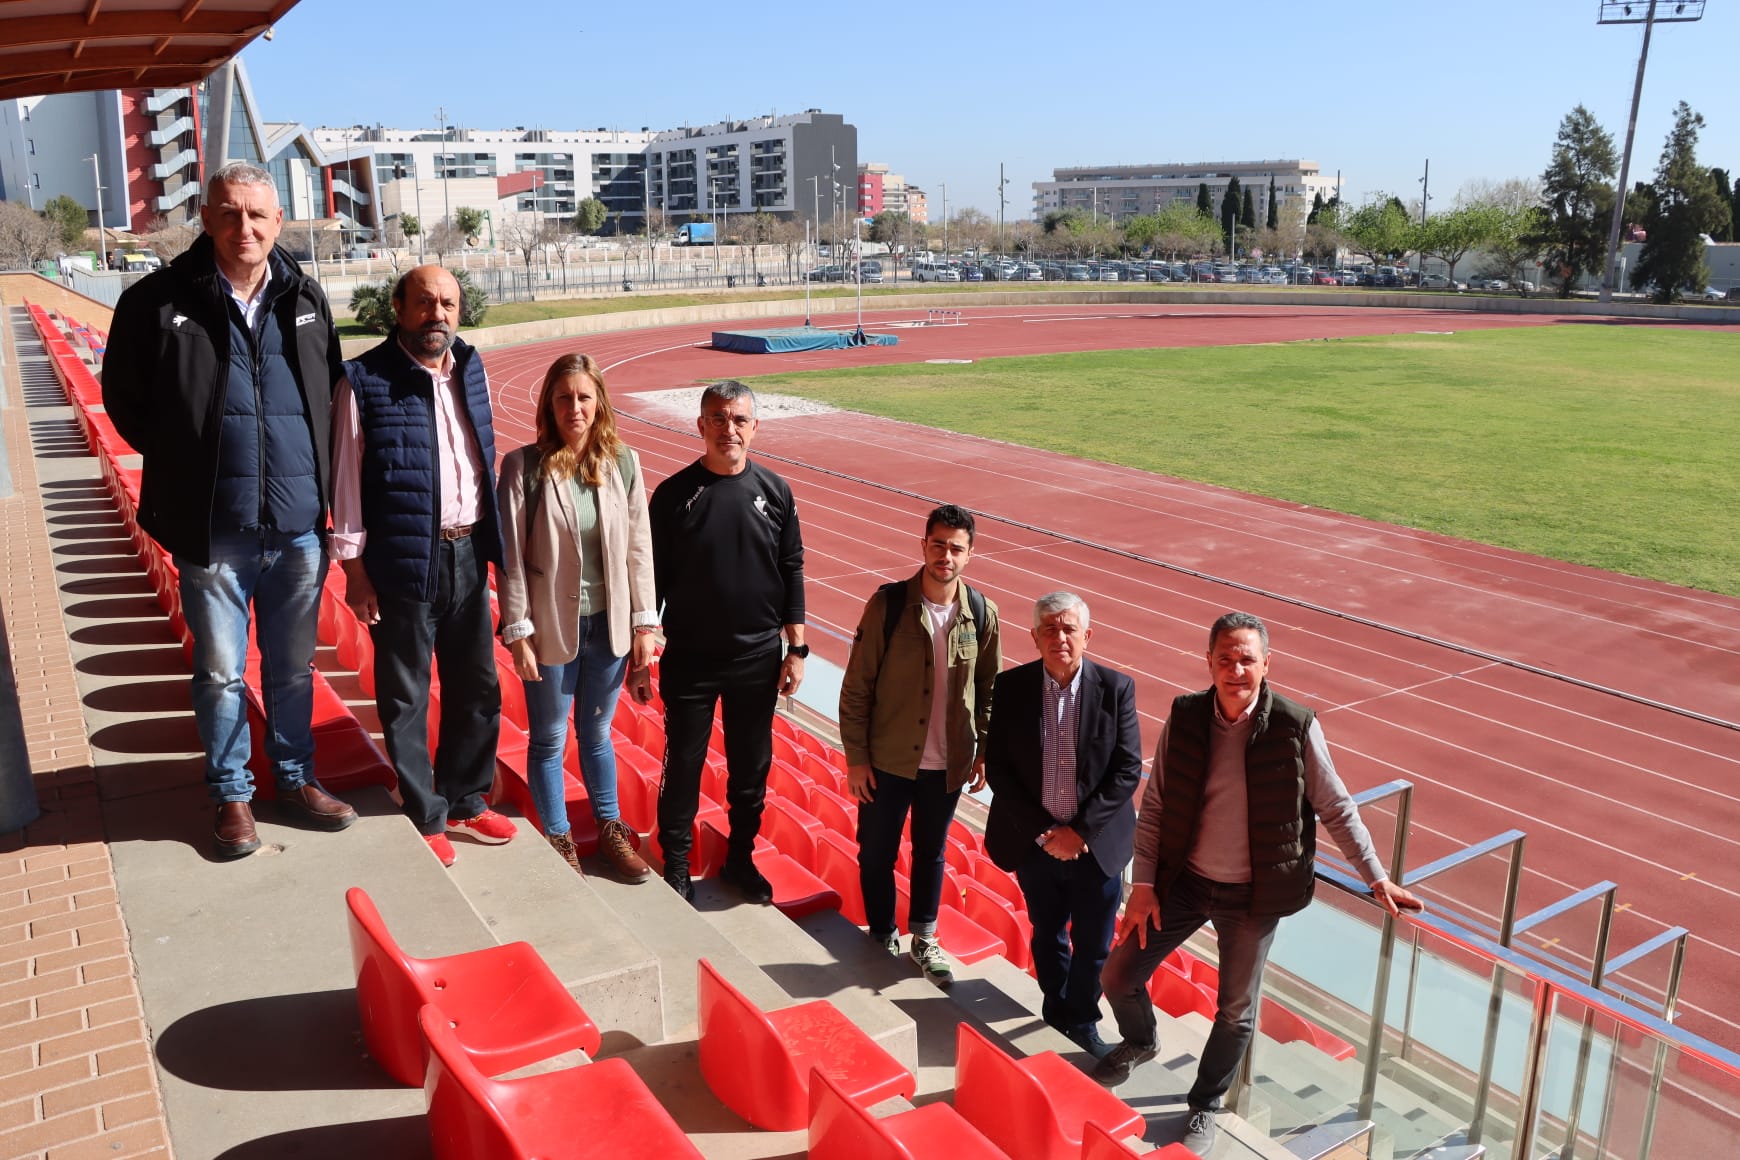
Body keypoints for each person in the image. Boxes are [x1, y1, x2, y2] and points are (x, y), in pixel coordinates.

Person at [1094, 612, 1423, 1156]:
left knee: (1235, 1010)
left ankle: (1205, 1103)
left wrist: (1377, 877)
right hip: (1184, 882)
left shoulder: (1295, 725)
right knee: (1119, 972)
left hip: (1253, 895)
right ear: (1209, 663)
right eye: (1225, 657)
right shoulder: (1187, 715)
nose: (1236, 668)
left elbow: (1336, 806)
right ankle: (1141, 1039)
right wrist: (1145, 882)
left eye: (1247, 658)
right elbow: (1153, 807)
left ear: (1266, 664)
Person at [102, 160, 356, 859]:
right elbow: (125, 401)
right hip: (212, 528)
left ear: (278, 223)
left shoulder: (305, 296)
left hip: (298, 526)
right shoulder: (157, 301)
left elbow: (328, 390)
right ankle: (232, 793)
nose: (244, 227)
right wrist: (186, 462)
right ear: (207, 218)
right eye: (229, 213)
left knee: (293, 668)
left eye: (257, 215)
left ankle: (298, 780)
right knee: (220, 671)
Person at [332, 265, 513, 868]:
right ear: (399, 308)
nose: (438, 313)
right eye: (425, 303)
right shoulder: (364, 380)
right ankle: (425, 811)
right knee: (406, 695)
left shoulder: (471, 367)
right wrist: (355, 571)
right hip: (404, 561)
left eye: (448, 303)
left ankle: (466, 797)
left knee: (478, 688)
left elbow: (479, 455)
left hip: (468, 553)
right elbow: (348, 481)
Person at [496, 353, 657, 882]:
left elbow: (639, 549)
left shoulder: (623, 463)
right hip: (549, 630)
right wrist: (517, 631)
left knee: (597, 734)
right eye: (564, 397)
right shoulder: (523, 467)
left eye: (584, 397)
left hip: (607, 628)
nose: (575, 407)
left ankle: (609, 831)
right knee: (547, 739)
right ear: (549, 404)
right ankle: (560, 838)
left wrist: (643, 625)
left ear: (599, 403)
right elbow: (512, 557)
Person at [647, 381, 806, 904]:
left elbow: (791, 569)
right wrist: (645, 639)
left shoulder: (776, 492)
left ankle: (740, 859)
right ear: (700, 426)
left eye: (738, 419)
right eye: (717, 418)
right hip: (691, 659)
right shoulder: (673, 496)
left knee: (750, 771)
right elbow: (653, 580)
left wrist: (796, 647)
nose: (728, 428)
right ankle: (675, 863)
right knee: (685, 765)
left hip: (757, 659)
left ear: (754, 428)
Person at [839, 505, 1002, 987]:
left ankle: (924, 937)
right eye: (938, 544)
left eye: (956, 548)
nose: (945, 555)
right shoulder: (888, 606)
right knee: (876, 852)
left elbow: (991, 689)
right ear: (923, 545)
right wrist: (856, 758)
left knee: (931, 852)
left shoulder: (981, 613)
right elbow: (856, 686)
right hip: (888, 758)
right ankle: (882, 932)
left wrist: (984, 749)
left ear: (969, 555)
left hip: (947, 762)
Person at [984, 592, 1142, 1059]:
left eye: (1069, 628)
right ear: (1034, 636)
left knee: (1093, 943)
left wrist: (1079, 833)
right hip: (1035, 845)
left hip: (1095, 848)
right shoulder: (1011, 686)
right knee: (1045, 932)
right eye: (1049, 629)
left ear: (1086, 635)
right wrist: (1044, 832)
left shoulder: (1116, 689)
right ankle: (1056, 1011)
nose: (1060, 637)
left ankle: (1082, 1019)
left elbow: (1127, 769)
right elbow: (999, 769)